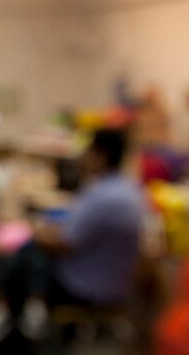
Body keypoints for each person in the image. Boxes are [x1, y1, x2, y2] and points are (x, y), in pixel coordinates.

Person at [30, 127, 145, 308]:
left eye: (89, 150)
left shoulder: (102, 196)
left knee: (24, 262)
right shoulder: (129, 189)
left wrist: (37, 233)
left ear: (101, 155)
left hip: (85, 287)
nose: (84, 156)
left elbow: (66, 244)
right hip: (114, 284)